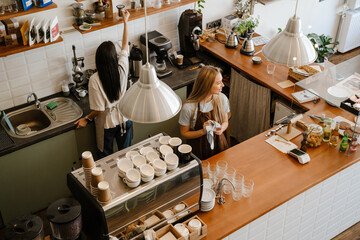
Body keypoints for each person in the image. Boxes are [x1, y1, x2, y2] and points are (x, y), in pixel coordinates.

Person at [75, 10, 132, 158]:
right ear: (115, 57)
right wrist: (125, 21)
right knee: (126, 156)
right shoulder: (122, 67)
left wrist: (86, 119)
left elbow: (99, 110)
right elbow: (125, 45)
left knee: (106, 160)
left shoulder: (94, 79)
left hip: (107, 125)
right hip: (125, 119)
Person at [178, 65, 230, 160]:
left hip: (219, 145)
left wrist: (221, 128)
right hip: (198, 148)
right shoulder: (189, 107)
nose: (222, 85)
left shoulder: (222, 99)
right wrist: (203, 131)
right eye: (219, 83)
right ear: (207, 85)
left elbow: (225, 122)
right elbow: (184, 133)